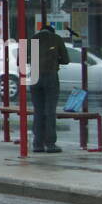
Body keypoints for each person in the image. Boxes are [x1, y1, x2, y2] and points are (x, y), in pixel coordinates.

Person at [31, 20, 69, 153]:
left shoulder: (32, 39)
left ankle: (37, 143)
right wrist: (54, 59)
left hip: (35, 76)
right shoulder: (56, 39)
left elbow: (21, 60)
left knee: (38, 110)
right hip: (50, 76)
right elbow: (66, 60)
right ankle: (51, 143)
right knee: (50, 110)